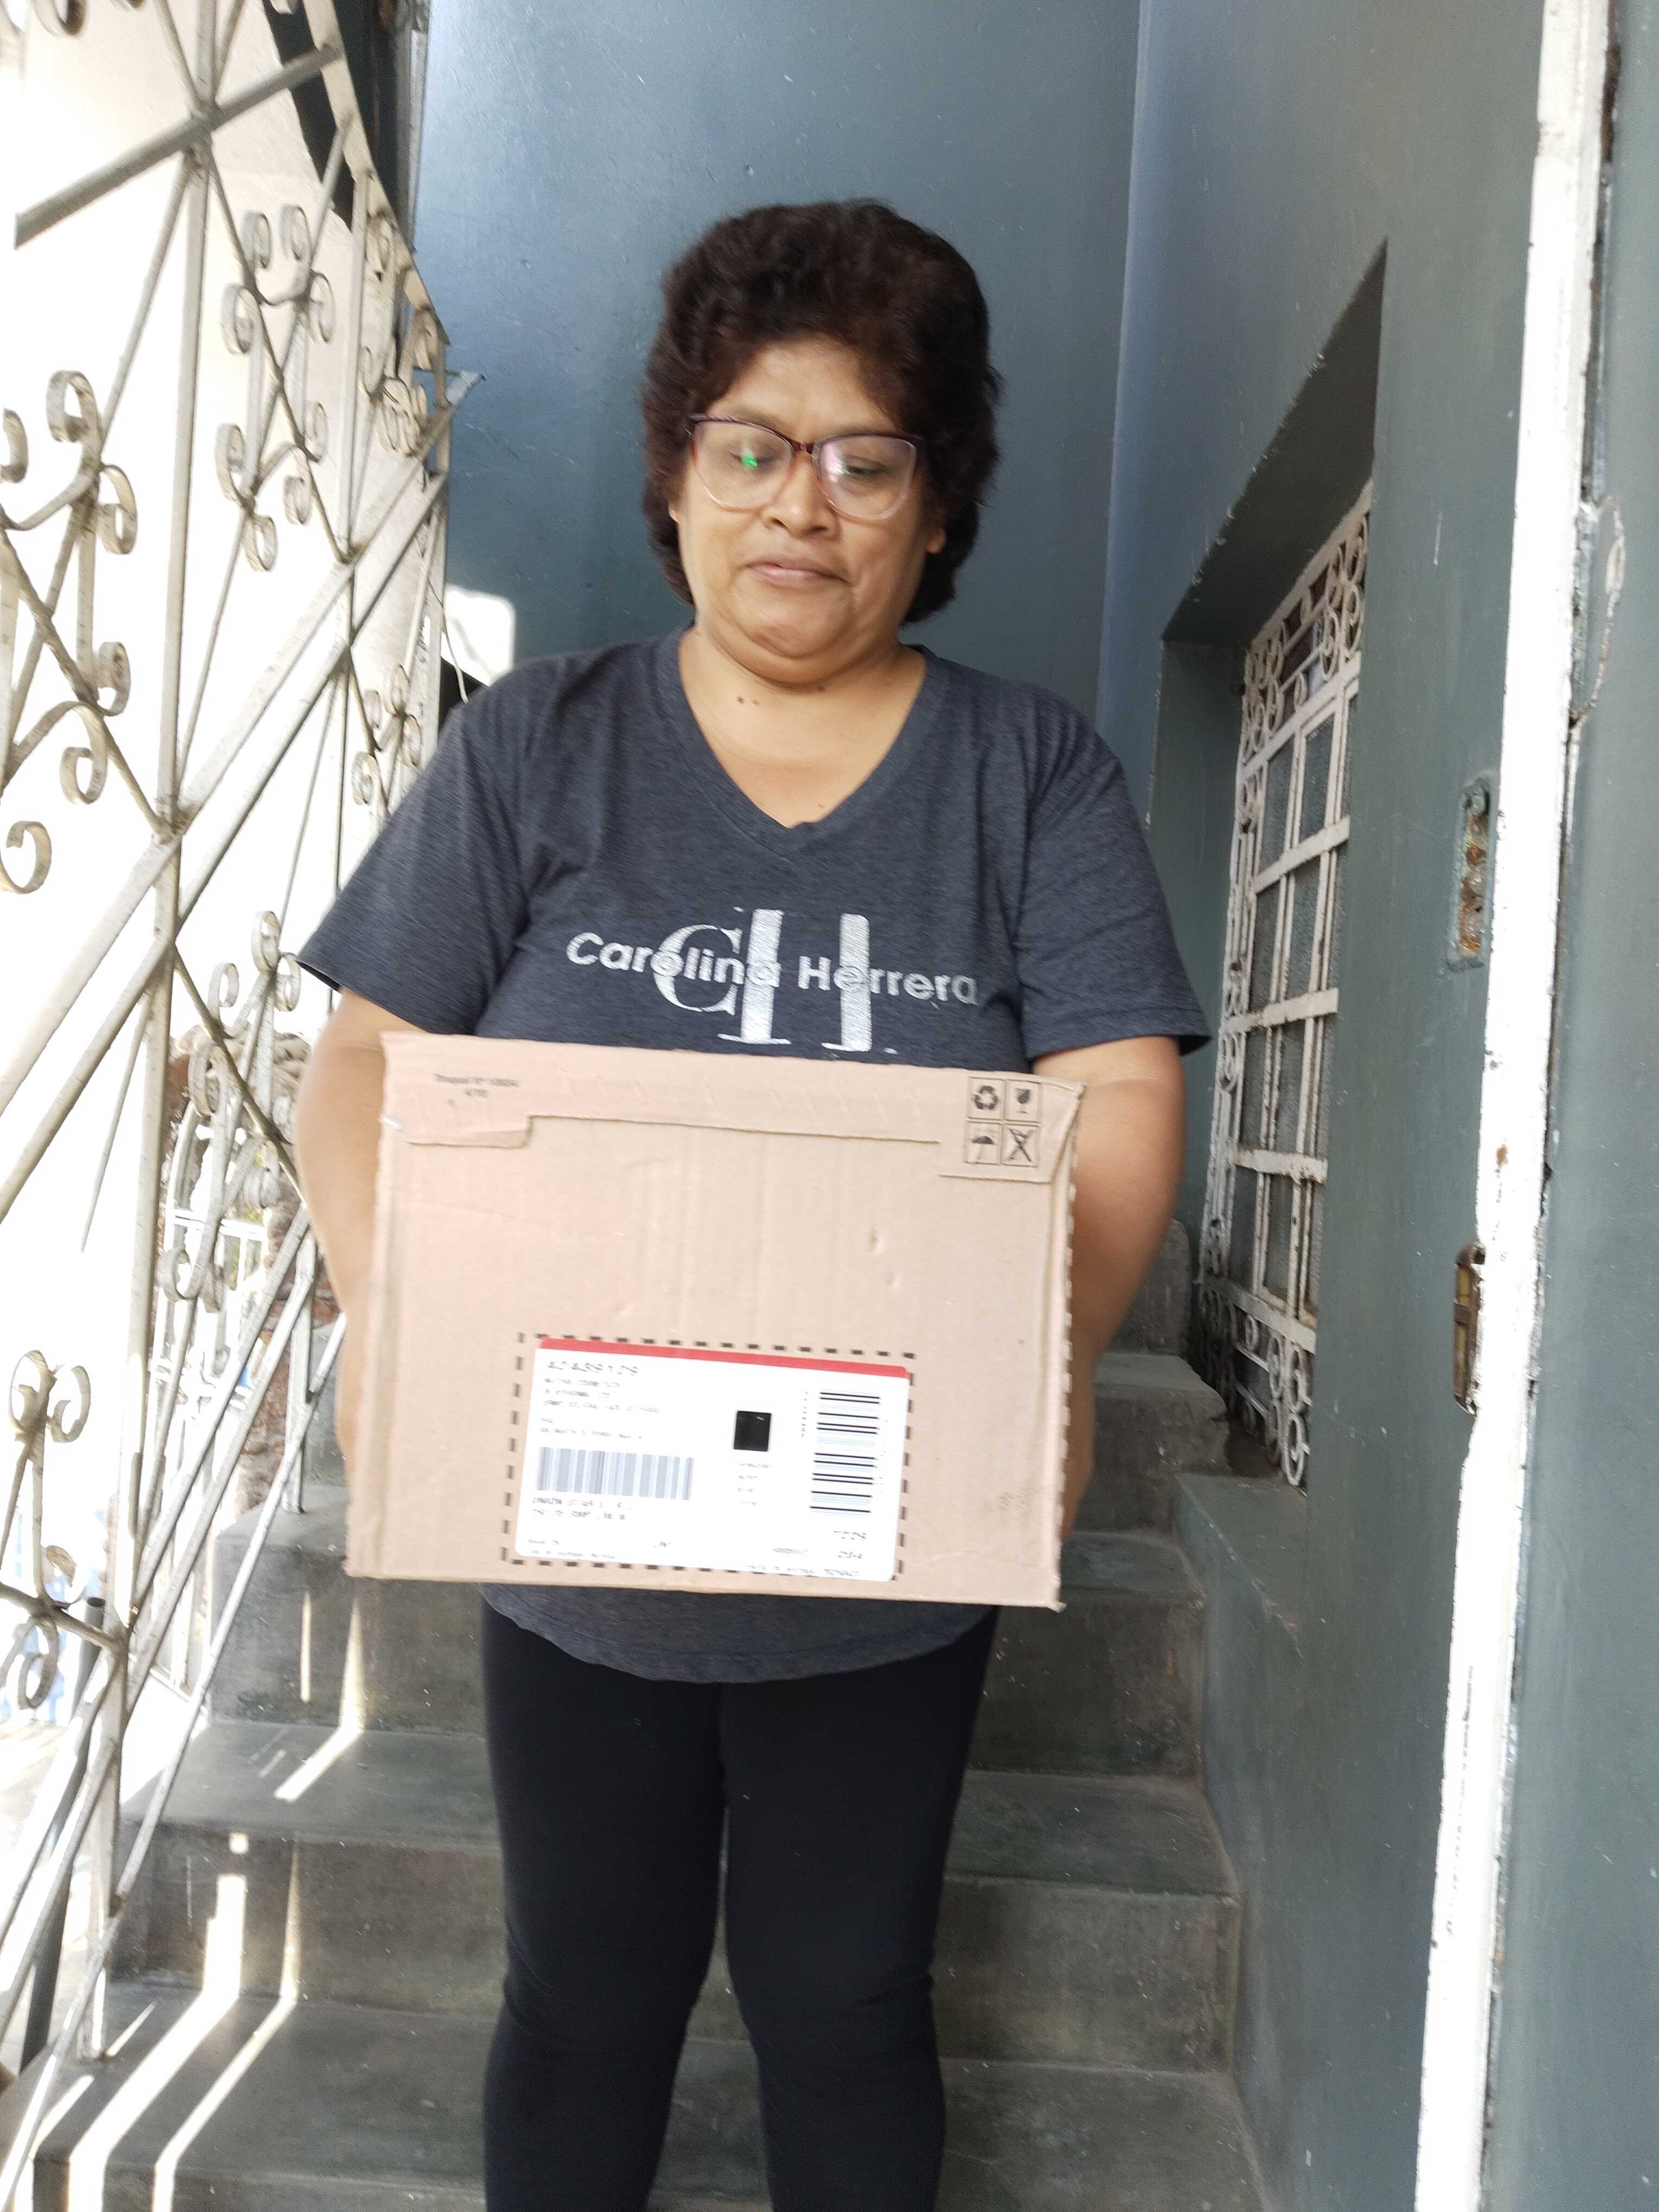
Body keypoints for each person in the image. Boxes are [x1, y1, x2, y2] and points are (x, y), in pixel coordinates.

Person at [291, 197, 1210, 2212]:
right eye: (752, 446)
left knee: (847, 2003)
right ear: (676, 477)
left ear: (937, 510)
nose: (804, 503)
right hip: (575, 1526)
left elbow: (1116, 1090)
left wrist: (1041, 1360)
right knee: (582, 2002)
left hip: (882, 1544)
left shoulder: (1026, 777)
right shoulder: (537, 749)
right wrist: (390, 1305)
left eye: (867, 459)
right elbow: (364, 1063)